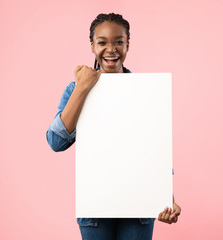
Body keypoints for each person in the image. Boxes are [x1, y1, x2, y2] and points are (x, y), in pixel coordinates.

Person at [46, 13, 181, 240]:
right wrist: (83, 87)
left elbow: (156, 151)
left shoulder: (145, 92)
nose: (111, 49)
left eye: (119, 41)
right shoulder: (75, 89)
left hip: (139, 205)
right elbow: (56, 142)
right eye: (102, 42)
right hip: (95, 207)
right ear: (92, 46)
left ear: (128, 44)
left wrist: (168, 199)